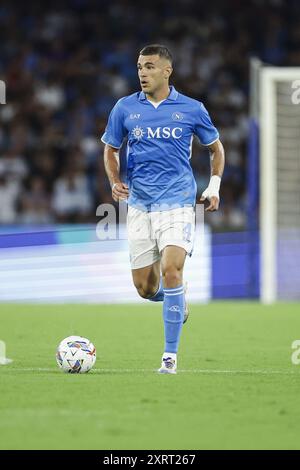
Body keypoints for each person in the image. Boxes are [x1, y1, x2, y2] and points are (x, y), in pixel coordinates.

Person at [101, 44, 225, 374]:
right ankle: (176, 299)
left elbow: (215, 149)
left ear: (166, 71)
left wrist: (213, 185)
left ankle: (169, 358)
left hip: (179, 203)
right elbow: (111, 149)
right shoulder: (125, 108)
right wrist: (114, 180)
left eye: (150, 67)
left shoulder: (191, 109)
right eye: (140, 66)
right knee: (145, 288)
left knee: (172, 270)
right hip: (140, 205)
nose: (142, 72)